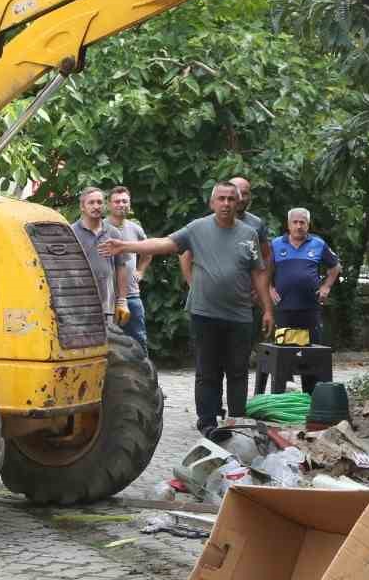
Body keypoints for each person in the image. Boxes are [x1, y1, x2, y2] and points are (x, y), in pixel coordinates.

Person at [102, 181, 272, 434]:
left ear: (238, 204)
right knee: (207, 370)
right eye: (221, 199)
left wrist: (268, 308)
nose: (226, 204)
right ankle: (207, 422)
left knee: (238, 371)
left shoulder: (249, 234)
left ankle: (237, 421)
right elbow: (163, 244)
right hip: (205, 314)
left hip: (240, 315)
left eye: (230, 199)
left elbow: (259, 273)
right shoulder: (197, 228)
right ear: (212, 203)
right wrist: (126, 246)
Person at [270, 208, 341, 390]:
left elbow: (335, 267)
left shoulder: (318, 244)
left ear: (308, 225)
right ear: (288, 224)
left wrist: (326, 287)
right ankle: (286, 394)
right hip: (284, 308)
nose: (299, 226)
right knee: (284, 353)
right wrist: (269, 289)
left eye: (302, 223)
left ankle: (312, 395)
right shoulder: (276, 244)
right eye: (295, 222)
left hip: (310, 309)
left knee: (311, 353)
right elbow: (264, 271)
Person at [69, 186, 130, 331]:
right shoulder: (71, 233)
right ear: (82, 207)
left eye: (99, 202)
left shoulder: (113, 233)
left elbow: (121, 267)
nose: (96, 206)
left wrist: (122, 301)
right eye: (91, 203)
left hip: (107, 305)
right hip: (78, 305)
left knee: (107, 347)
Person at [106, 185, 151, 351]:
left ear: (130, 204)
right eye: (117, 201)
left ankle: (144, 375)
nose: (121, 204)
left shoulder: (136, 229)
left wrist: (141, 271)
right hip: (108, 297)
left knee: (138, 338)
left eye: (125, 201)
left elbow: (148, 252)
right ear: (109, 205)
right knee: (109, 343)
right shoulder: (101, 229)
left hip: (132, 295)